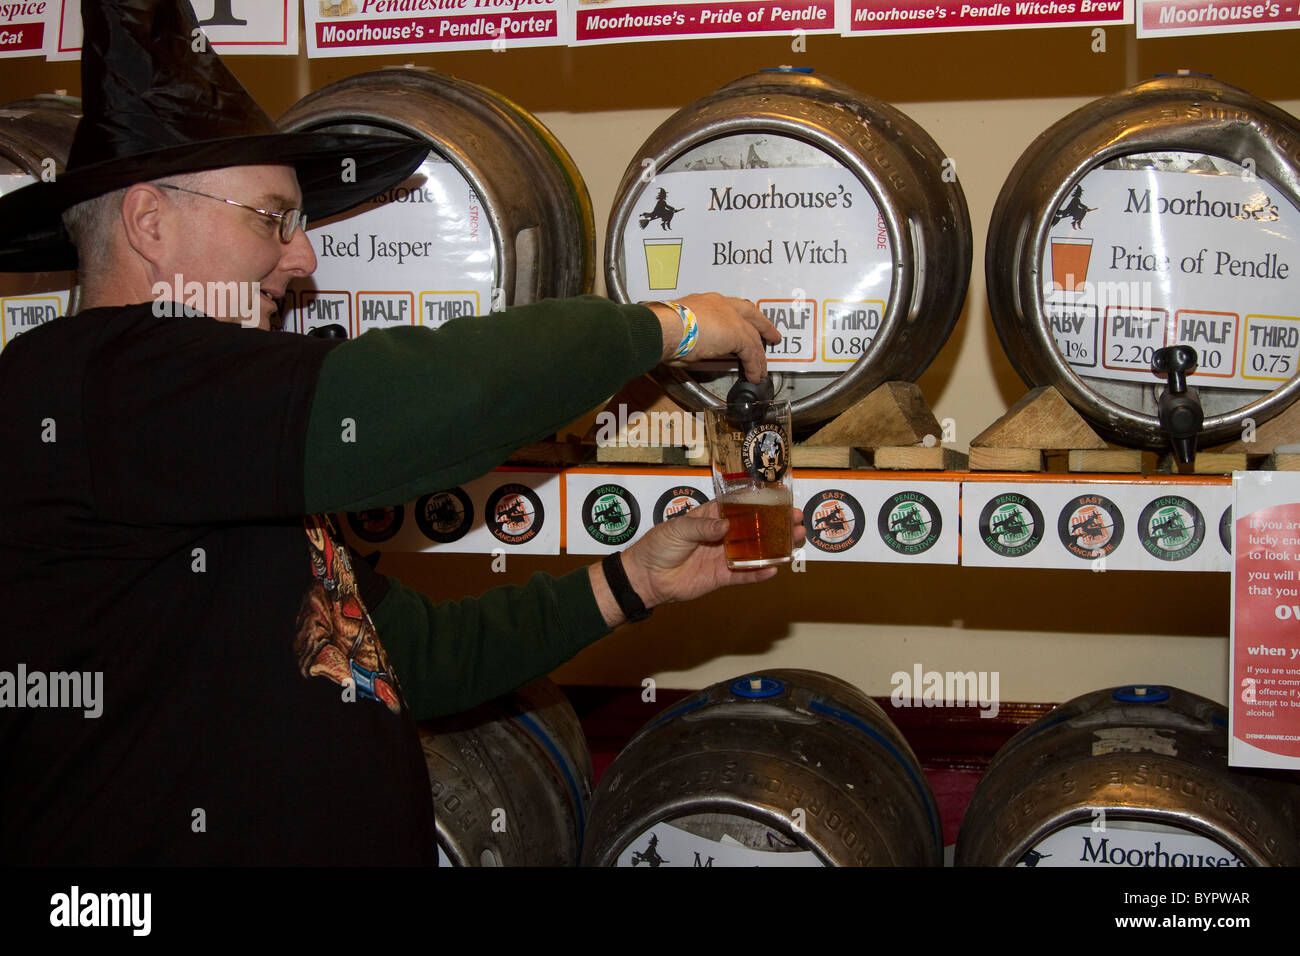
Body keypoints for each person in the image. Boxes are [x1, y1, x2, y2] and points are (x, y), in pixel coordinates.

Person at [0, 0, 802, 865]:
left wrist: (631, 578)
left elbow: (398, 655)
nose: (303, 259)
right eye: (272, 218)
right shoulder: (103, 382)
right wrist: (666, 327)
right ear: (151, 224)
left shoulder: (204, 425)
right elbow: (430, 395)